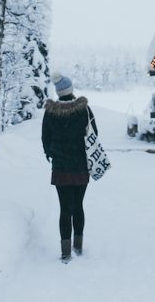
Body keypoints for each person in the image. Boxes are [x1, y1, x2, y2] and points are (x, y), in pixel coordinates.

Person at [42, 72, 97, 262]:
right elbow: (94, 135)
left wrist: (52, 154)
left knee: (64, 209)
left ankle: (65, 252)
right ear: (71, 90)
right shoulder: (84, 110)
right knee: (78, 206)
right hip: (81, 166)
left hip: (60, 168)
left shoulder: (50, 112)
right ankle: (78, 247)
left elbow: (45, 139)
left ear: (58, 92)